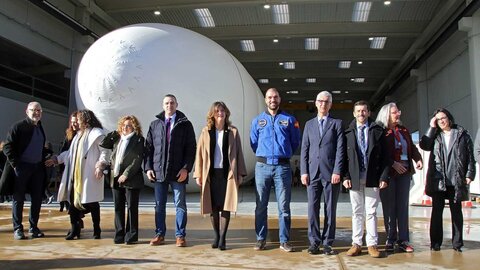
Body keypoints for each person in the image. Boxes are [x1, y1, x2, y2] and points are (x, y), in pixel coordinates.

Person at [250, 88, 301, 252]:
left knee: (284, 207)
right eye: (270, 97)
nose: (273, 100)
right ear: (266, 100)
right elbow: (253, 143)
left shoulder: (289, 120)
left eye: (276, 97)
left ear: (280, 99)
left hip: (282, 167)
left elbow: (295, 142)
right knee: (260, 206)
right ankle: (260, 239)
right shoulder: (257, 121)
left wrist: (282, 154)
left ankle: (284, 240)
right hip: (262, 167)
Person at [419, 108, 475, 252]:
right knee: (437, 211)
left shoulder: (462, 134)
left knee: (456, 212)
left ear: (449, 118)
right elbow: (424, 145)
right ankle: (435, 243)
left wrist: (469, 175)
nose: (441, 121)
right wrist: (431, 127)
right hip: (438, 180)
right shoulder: (435, 136)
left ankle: (457, 244)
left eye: (443, 118)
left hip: (456, 179)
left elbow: (470, 157)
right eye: (438, 119)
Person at [46, 109, 108, 240]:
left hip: (89, 174)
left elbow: (105, 151)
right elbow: (70, 154)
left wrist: (100, 166)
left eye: (79, 120)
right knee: (73, 203)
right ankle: (74, 229)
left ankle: (97, 228)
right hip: (75, 175)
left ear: (85, 120)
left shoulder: (97, 134)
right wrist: (57, 159)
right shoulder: (78, 136)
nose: (76, 123)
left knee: (92, 203)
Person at [194, 101, 247, 250]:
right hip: (211, 174)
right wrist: (198, 174)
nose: (220, 113)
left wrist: (241, 173)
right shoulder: (206, 131)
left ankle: (223, 238)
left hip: (227, 174)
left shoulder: (232, 131)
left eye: (222, 111)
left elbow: (239, 153)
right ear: (213, 114)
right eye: (217, 111)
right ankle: (216, 235)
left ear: (226, 113)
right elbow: (199, 154)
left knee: (226, 207)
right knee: (213, 207)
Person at [145, 94, 196, 247]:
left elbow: (191, 149)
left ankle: (180, 236)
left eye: (172, 103)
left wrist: (186, 169)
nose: (169, 105)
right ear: (163, 105)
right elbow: (148, 148)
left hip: (177, 173)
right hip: (159, 173)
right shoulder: (155, 125)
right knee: (159, 205)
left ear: (177, 105)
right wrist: (148, 168)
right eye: (166, 103)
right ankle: (159, 235)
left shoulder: (185, 124)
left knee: (180, 205)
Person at [343, 100, 391, 258]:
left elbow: (386, 156)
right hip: (355, 177)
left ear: (369, 113)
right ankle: (356, 244)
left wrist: (384, 176)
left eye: (364, 111)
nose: (361, 114)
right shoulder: (348, 132)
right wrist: (345, 176)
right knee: (357, 212)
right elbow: (343, 157)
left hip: (373, 177)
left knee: (371, 212)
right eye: (358, 111)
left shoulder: (378, 131)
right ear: (354, 113)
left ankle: (372, 244)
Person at [300, 91, 345, 255]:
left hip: (331, 173)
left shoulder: (337, 124)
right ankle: (314, 242)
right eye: (320, 101)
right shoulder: (309, 124)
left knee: (330, 209)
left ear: (330, 104)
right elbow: (304, 149)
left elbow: (340, 150)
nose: (323, 104)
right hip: (312, 174)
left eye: (326, 102)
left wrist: (337, 171)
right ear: (316, 103)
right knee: (312, 209)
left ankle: (327, 242)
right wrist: (304, 171)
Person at [375, 102, 423, 253]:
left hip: (404, 173)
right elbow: (379, 153)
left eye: (398, 112)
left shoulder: (403, 130)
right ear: (387, 114)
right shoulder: (381, 131)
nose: (398, 114)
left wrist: (418, 158)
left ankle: (403, 240)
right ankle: (390, 239)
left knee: (402, 207)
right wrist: (392, 163)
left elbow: (412, 147)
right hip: (388, 174)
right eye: (394, 112)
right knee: (389, 208)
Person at [0, 102, 47, 240]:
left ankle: (33, 227)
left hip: (37, 168)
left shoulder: (39, 127)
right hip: (22, 168)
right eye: (34, 110)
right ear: (27, 111)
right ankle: (18, 229)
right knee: (18, 199)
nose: (37, 113)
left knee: (37, 199)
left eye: (39, 110)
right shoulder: (18, 127)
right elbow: (7, 146)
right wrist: (16, 165)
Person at [100, 115, 145, 245]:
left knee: (131, 207)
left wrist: (126, 174)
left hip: (131, 178)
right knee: (118, 207)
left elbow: (136, 159)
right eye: (124, 125)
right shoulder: (117, 139)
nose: (126, 128)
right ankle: (119, 233)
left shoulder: (138, 140)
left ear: (134, 127)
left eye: (129, 125)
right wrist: (115, 132)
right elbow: (103, 143)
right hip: (115, 177)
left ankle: (131, 234)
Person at [58, 111, 79, 212]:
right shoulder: (69, 134)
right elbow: (63, 150)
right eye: (72, 121)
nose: (74, 124)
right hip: (68, 166)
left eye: (76, 121)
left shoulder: (84, 134)